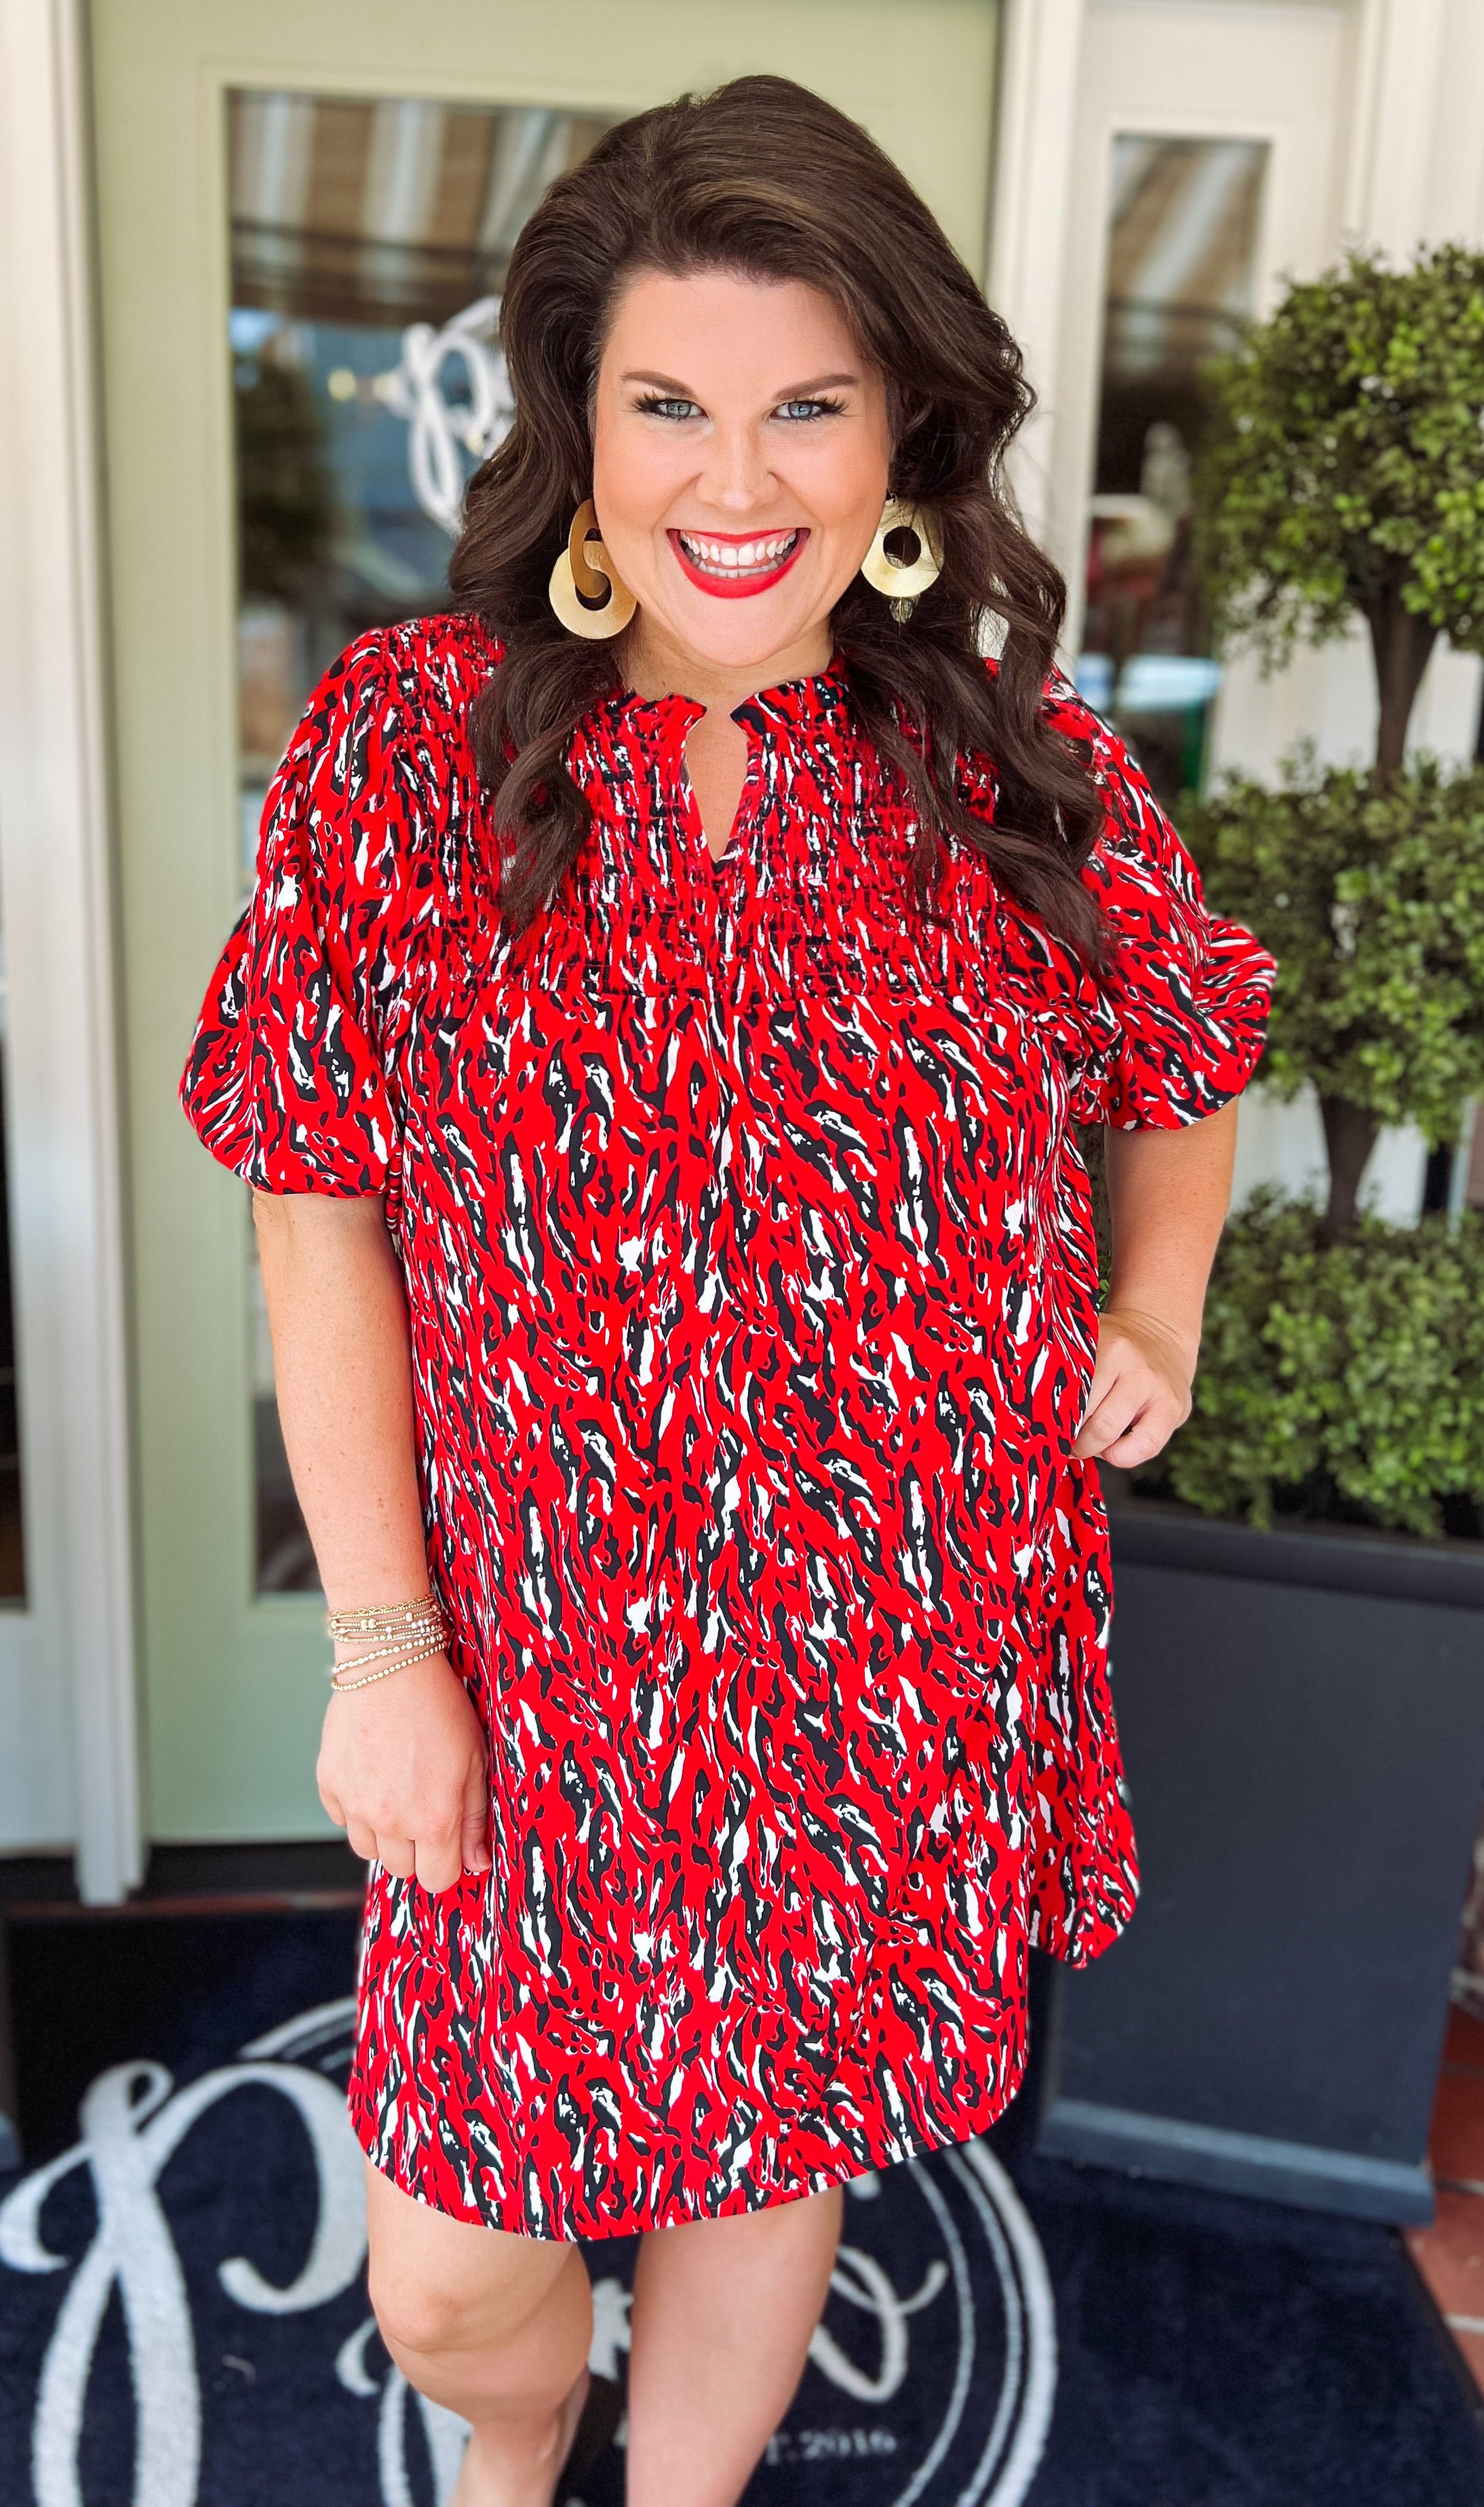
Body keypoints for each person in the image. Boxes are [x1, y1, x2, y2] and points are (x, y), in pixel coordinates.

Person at [181, 73, 1274, 2507]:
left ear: (903, 430)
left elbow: (1188, 1043)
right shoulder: (407, 753)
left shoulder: (1005, 768)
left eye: (808, 406)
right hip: (536, 1650)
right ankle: (509, 2452)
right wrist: (384, 1653)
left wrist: (1155, 1315)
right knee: (447, 2276)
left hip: (890, 1635)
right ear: (574, 424)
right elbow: (309, 1200)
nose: (737, 483)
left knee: (761, 2149)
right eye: (668, 404)